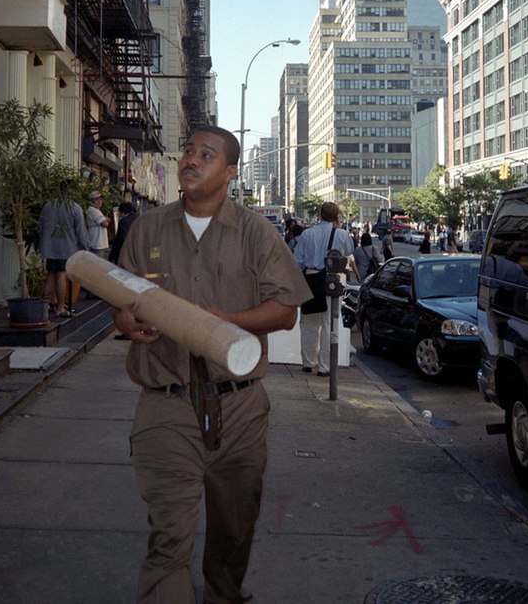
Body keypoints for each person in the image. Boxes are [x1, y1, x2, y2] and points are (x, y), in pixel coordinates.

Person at [113, 127, 311, 604]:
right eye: (187, 152)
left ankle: (224, 594)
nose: (190, 160)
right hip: (166, 404)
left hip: (239, 408)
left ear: (229, 172)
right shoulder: (147, 229)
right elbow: (122, 303)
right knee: (168, 538)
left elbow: (286, 310)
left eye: (206, 154)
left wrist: (228, 321)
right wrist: (128, 321)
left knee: (234, 529)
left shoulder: (255, 232)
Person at [293, 202, 354, 377]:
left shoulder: (307, 234)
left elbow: (297, 261)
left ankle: (307, 362)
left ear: (319, 215)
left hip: (311, 280)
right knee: (329, 324)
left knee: (309, 323)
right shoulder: (341, 234)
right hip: (332, 281)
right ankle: (324, 366)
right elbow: (349, 250)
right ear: (336, 217)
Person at [38, 179, 89, 318]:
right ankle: (60, 307)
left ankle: (43, 305)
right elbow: (81, 231)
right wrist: (85, 247)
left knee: (50, 274)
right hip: (66, 246)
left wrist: (42, 243)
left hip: (49, 246)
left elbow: (41, 226)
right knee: (61, 274)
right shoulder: (75, 208)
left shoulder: (48, 205)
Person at [86, 190, 111, 258]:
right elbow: (105, 223)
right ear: (91, 200)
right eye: (97, 199)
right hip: (96, 243)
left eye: (101, 199)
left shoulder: (97, 210)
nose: (100, 201)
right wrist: (106, 219)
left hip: (99, 243)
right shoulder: (92, 210)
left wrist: (105, 218)